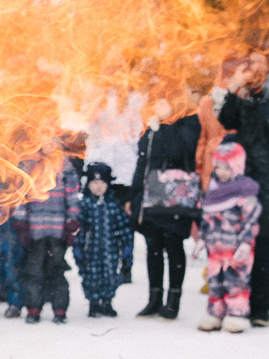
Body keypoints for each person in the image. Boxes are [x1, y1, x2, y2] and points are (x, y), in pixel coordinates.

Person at [215, 51, 269, 326]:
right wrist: (233, 92)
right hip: (244, 177)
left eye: (258, 62)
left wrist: (260, 100)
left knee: (263, 242)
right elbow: (227, 121)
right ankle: (236, 300)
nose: (253, 67)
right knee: (238, 240)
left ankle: (261, 307)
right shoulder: (246, 93)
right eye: (250, 62)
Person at [130, 95, 203, 320]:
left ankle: (173, 301)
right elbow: (143, 161)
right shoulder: (151, 125)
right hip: (151, 196)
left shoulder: (188, 120)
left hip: (176, 197)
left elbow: (181, 150)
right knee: (153, 246)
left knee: (173, 245)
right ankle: (154, 299)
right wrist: (135, 195)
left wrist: (163, 127)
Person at [195, 141, 262, 333]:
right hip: (215, 249)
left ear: (237, 166)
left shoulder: (244, 191)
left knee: (236, 282)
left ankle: (236, 314)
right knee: (214, 281)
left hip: (236, 249)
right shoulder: (213, 191)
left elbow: (251, 220)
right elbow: (207, 219)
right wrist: (202, 239)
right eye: (218, 167)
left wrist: (246, 243)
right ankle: (215, 312)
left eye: (226, 168)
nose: (221, 172)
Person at [16, 150, 81, 323]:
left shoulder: (65, 167)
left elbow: (73, 196)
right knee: (34, 271)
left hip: (58, 230)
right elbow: (21, 196)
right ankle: (33, 308)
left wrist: (72, 221)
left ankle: (59, 309)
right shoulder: (29, 165)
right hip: (35, 229)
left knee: (57, 270)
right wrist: (21, 224)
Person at [74, 162, 132, 317]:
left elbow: (123, 226)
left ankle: (107, 301)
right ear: (88, 184)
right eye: (94, 182)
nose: (98, 187)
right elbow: (79, 228)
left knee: (110, 274)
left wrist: (126, 245)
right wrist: (78, 247)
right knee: (90, 276)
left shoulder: (113, 204)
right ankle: (93, 303)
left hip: (110, 248)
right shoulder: (85, 204)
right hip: (90, 248)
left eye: (102, 183)